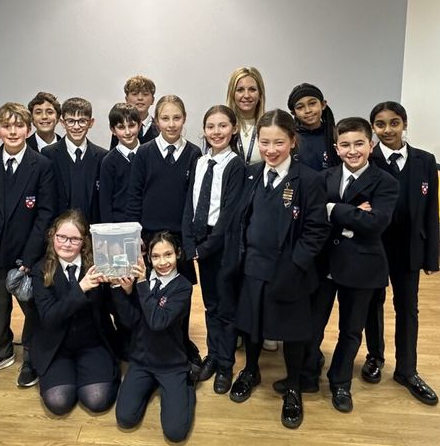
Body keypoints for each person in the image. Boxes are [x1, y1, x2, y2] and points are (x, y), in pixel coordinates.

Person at [222, 110, 329, 429]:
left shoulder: (309, 179)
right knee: (251, 324)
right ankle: (250, 370)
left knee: (293, 332)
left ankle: (293, 385)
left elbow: (316, 230)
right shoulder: (252, 174)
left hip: (290, 269)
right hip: (253, 265)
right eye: (265, 142)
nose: (271, 150)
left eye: (278, 142)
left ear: (293, 141)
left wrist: (296, 265)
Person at [302, 117, 398, 414]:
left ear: (371, 145)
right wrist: (351, 213)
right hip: (324, 264)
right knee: (312, 324)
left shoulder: (386, 182)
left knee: (351, 329)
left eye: (359, 144)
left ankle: (340, 382)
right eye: (345, 145)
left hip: (362, 266)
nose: (352, 150)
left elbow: (375, 223)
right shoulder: (324, 178)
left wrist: (333, 209)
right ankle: (307, 374)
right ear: (336, 148)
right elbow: (312, 217)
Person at [0, 102, 56, 387]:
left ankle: (31, 355)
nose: (13, 131)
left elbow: (45, 215)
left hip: (28, 254)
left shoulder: (42, 165)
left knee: (33, 309)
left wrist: (29, 258)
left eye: (19, 125)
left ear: (28, 129)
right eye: (6, 126)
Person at [361, 101, 439, 405]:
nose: (388, 130)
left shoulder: (425, 161)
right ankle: (375, 357)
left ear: (404, 123)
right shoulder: (368, 159)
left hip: (409, 249)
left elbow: (431, 211)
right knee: (373, 304)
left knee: (408, 307)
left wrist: (431, 256)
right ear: (373, 128)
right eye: (380, 124)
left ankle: (407, 370)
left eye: (394, 123)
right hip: (375, 247)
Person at [126, 94, 203, 369]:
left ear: (184, 119)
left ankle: (181, 342)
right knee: (149, 292)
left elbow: (195, 199)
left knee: (179, 294)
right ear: (156, 121)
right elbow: (134, 196)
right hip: (149, 237)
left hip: (179, 238)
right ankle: (147, 343)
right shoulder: (145, 152)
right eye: (165, 118)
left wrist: (191, 240)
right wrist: (136, 236)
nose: (171, 124)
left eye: (176, 118)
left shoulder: (194, 154)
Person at [181, 105, 245, 394]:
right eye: (210, 126)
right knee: (210, 305)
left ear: (233, 128)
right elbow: (190, 204)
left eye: (222, 126)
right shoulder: (200, 161)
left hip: (222, 244)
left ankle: (226, 364)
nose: (216, 132)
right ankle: (213, 354)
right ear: (204, 130)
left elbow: (229, 214)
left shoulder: (236, 166)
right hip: (200, 241)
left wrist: (205, 248)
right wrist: (189, 242)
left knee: (226, 306)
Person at [31, 210, 119, 415]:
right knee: (59, 402)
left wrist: (118, 286)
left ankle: (88, 372)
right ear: (52, 236)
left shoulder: (97, 265)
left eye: (74, 239)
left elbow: (113, 310)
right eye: (61, 237)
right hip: (56, 346)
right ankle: (69, 375)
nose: (67, 244)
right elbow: (50, 318)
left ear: (84, 241)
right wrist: (81, 288)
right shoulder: (41, 269)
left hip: (93, 342)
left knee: (97, 399)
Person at [113, 232, 196, 443]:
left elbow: (158, 322)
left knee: (175, 433)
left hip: (171, 363)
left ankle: (186, 385)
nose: (163, 262)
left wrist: (141, 284)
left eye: (168, 254)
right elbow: (130, 321)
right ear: (149, 258)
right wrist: (125, 292)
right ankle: (150, 384)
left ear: (178, 254)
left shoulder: (183, 287)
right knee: (125, 419)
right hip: (142, 360)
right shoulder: (142, 280)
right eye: (156, 256)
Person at [42, 97, 107, 225]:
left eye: (82, 121)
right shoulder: (48, 155)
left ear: (91, 123)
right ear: (62, 123)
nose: (76, 127)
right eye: (71, 121)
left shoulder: (102, 156)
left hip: (92, 229)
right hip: (59, 231)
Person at [99, 103, 141, 223]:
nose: (127, 132)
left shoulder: (148, 155)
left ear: (139, 125)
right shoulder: (108, 162)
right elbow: (105, 202)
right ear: (113, 130)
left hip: (147, 224)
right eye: (121, 127)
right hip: (119, 225)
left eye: (131, 126)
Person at [287, 83, 341, 172]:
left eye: (312, 103)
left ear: (323, 105)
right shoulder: (290, 139)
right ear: (294, 113)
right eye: (300, 107)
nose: (308, 110)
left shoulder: (336, 135)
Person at [225, 67, 266, 166]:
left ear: (260, 94)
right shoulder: (222, 127)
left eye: (252, 89)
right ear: (232, 94)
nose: (246, 95)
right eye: (240, 90)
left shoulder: (269, 126)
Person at [110, 75, 159, 149]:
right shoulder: (120, 128)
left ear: (153, 100)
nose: (140, 98)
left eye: (145, 94)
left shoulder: (160, 128)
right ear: (126, 99)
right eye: (135, 94)